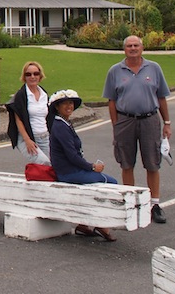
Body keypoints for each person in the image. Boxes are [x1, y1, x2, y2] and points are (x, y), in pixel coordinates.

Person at [103, 35, 171, 224]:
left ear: (142, 48)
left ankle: (154, 204)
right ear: (124, 49)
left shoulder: (154, 68)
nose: (133, 48)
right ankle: (130, 201)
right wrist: (116, 125)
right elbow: (111, 101)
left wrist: (167, 122)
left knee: (152, 162)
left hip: (150, 119)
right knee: (126, 162)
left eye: (136, 45)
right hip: (125, 120)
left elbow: (162, 97)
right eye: (129, 46)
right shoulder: (115, 71)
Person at [48, 89, 117, 242]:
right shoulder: (60, 126)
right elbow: (72, 156)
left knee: (101, 182)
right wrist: (92, 167)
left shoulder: (64, 123)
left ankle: (84, 224)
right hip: (68, 172)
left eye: (71, 103)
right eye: (64, 103)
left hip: (72, 169)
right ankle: (101, 224)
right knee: (110, 183)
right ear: (57, 107)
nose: (68, 106)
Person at [5, 61, 51, 165]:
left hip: (44, 137)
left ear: (40, 75)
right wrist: (27, 140)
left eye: (36, 73)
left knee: (49, 169)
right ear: (24, 77)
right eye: (28, 74)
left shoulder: (44, 94)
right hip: (28, 138)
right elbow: (19, 120)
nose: (32, 77)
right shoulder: (21, 95)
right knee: (44, 163)